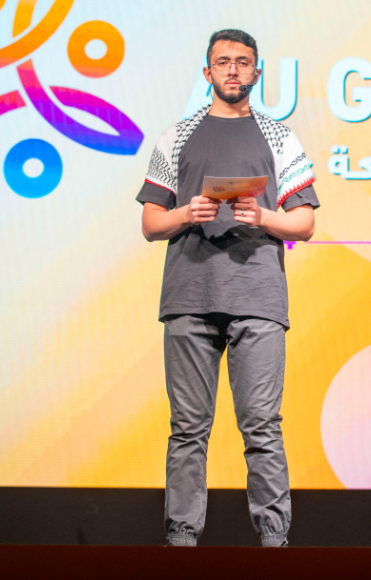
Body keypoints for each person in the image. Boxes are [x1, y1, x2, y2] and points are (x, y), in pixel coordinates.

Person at [137, 29, 318, 548]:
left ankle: (274, 541)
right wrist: (184, 213)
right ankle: (181, 540)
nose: (233, 70)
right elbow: (150, 223)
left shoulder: (280, 137)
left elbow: (304, 222)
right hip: (190, 297)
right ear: (207, 72)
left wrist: (263, 216)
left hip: (257, 298)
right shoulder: (176, 137)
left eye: (242, 62)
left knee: (261, 425)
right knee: (188, 427)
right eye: (223, 62)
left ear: (257, 72)